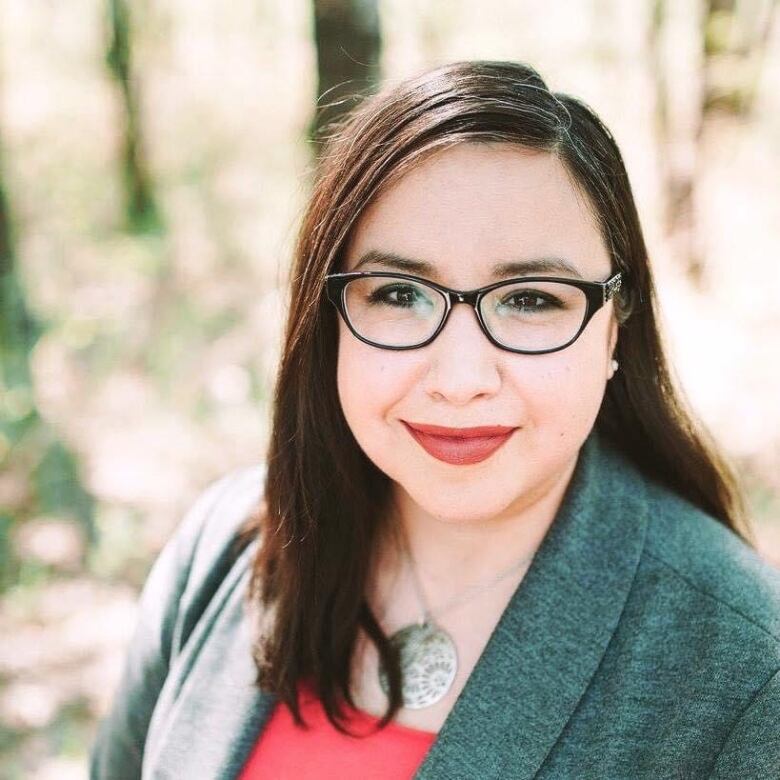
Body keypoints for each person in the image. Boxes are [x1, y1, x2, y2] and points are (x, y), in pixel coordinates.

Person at [89, 60, 780, 779]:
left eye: (532, 300)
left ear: (613, 331)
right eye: (397, 293)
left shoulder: (745, 668)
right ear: (329, 321)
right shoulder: (223, 550)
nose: (459, 381)